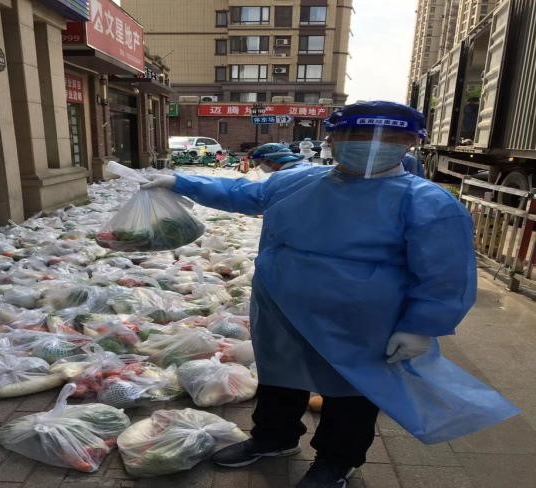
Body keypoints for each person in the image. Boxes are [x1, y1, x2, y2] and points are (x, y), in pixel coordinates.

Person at [141, 101, 518, 488]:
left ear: (410, 143)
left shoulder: (428, 203)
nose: (369, 145)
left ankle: (336, 462)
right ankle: (274, 438)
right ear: (332, 139)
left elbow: (444, 275)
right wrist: (179, 182)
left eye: (387, 138)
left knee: (352, 391)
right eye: (356, 135)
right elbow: (242, 193)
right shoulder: (298, 181)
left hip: (360, 323)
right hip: (281, 311)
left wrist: (421, 326)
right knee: (279, 377)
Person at [247, 143, 312, 173]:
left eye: (259, 163)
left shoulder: (282, 178)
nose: (260, 168)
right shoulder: (307, 166)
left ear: (268, 161)